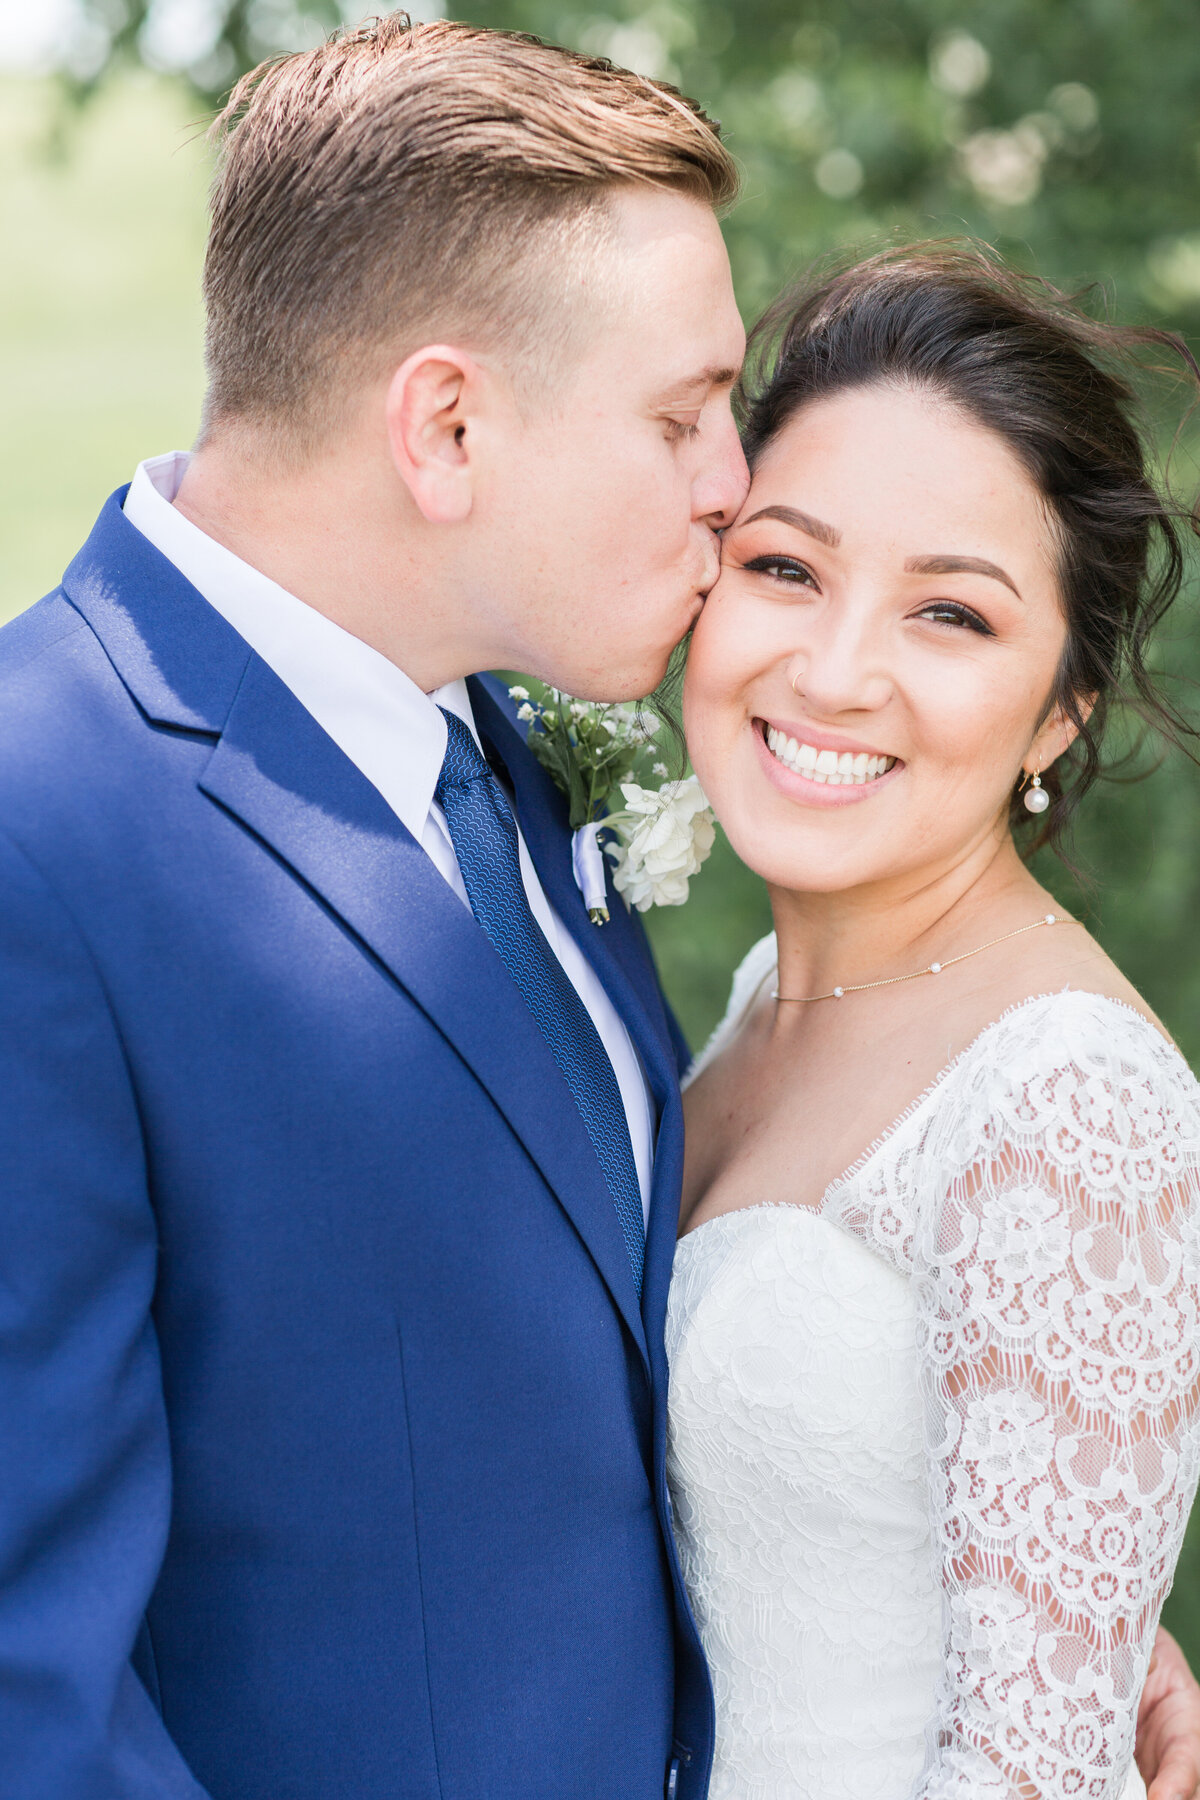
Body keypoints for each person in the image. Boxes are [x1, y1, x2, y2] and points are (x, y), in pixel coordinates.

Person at [0, 15, 1197, 1799]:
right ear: (449, 423)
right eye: (684, 414)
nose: (733, 489)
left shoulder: (502, 757)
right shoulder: (44, 824)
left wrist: (1028, 1591)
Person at [671, 245, 1200, 1800]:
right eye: (785, 568)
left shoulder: (1069, 1102)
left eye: (950, 616)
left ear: (1058, 711)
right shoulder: (766, 999)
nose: (833, 672)